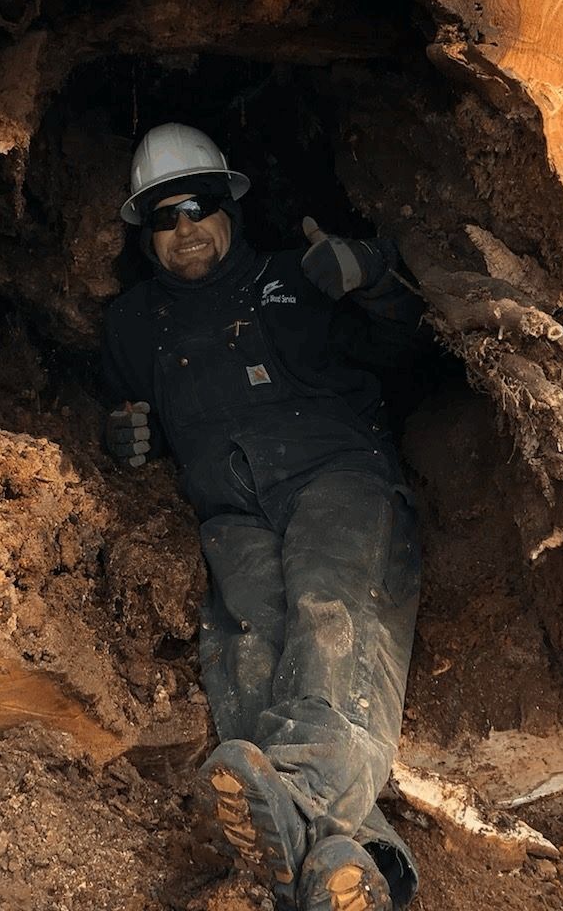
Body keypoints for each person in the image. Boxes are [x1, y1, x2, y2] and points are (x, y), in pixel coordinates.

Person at [101, 124, 424, 911]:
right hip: (231, 514)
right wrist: (113, 438)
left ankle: (302, 806)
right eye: (165, 216)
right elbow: (102, 415)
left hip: (340, 480)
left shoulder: (297, 277)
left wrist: (373, 277)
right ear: (145, 235)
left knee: (328, 609)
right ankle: (364, 862)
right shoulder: (132, 326)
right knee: (249, 650)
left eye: (199, 206)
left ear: (230, 207)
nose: (186, 228)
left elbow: (417, 346)